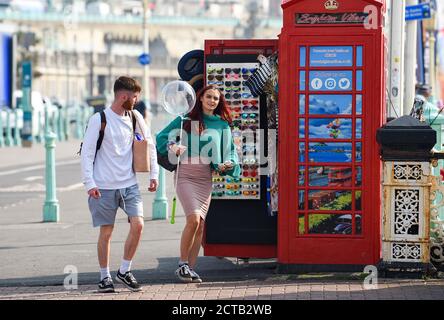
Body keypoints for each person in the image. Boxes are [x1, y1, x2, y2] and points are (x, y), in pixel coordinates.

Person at [81, 76, 159, 293]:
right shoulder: (100, 119)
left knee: (139, 225)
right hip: (103, 186)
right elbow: (87, 153)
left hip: (129, 184)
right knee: (106, 232)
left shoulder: (135, 117)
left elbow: (149, 145)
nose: (136, 101)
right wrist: (89, 183)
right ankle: (104, 276)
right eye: (134, 98)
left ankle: (124, 270)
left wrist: (155, 174)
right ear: (123, 96)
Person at [156, 85, 240, 283]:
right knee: (193, 219)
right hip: (185, 175)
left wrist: (229, 163)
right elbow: (161, 137)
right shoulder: (186, 120)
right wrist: (173, 145)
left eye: (216, 99)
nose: (212, 101)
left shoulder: (222, 125)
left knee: (200, 225)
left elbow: (230, 152)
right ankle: (182, 264)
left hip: (205, 178)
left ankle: (190, 269)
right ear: (200, 98)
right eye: (208, 97)